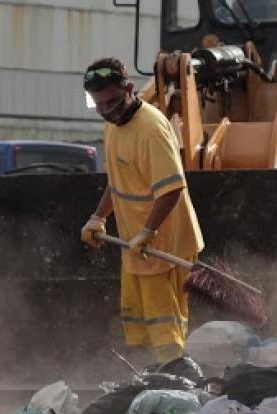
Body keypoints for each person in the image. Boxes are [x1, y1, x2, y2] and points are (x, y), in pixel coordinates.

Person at [80, 58, 205, 371]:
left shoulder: (151, 130)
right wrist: (98, 217)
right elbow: (118, 180)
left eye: (112, 102)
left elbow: (172, 188)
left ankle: (177, 378)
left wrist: (149, 231)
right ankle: (156, 375)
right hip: (136, 242)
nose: (106, 110)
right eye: (98, 105)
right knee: (141, 322)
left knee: (165, 326)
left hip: (164, 243)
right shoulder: (111, 125)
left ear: (129, 89)